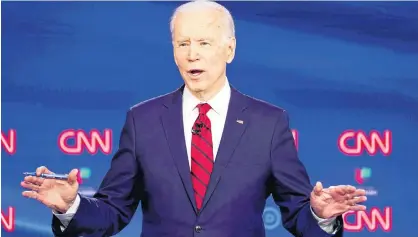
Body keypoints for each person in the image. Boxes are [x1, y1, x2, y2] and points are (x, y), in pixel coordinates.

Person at [21, 1, 367, 237]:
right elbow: (113, 211)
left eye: (203, 42)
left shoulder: (269, 123)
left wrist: (322, 215)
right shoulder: (143, 120)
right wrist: (71, 207)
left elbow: (296, 214)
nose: (192, 54)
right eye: (182, 43)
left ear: (229, 49)